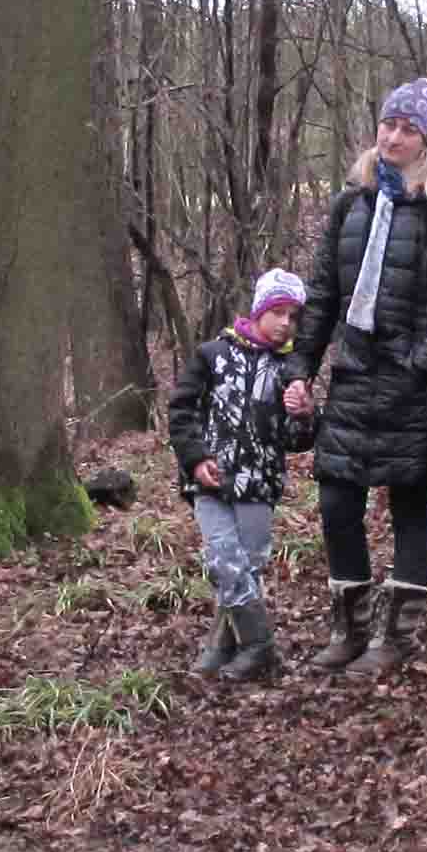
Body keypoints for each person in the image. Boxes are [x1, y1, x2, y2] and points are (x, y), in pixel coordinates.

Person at [295, 77, 427, 681]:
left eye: (409, 128)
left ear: (426, 138)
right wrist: (302, 365)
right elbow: (322, 292)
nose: (396, 136)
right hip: (353, 375)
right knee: (337, 502)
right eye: (389, 124)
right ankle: (347, 627)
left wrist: (417, 363)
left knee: (410, 504)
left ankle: (396, 635)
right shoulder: (349, 202)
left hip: (414, 383)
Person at [167, 266, 318, 684]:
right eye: (278, 312)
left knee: (246, 567)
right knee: (223, 560)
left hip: (259, 484)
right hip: (210, 481)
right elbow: (181, 411)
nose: (285, 323)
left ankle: (220, 647)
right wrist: (196, 459)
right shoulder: (212, 355)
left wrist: (304, 414)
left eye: (293, 316)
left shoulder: (290, 369)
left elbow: (296, 439)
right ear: (258, 311)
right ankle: (259, 644)